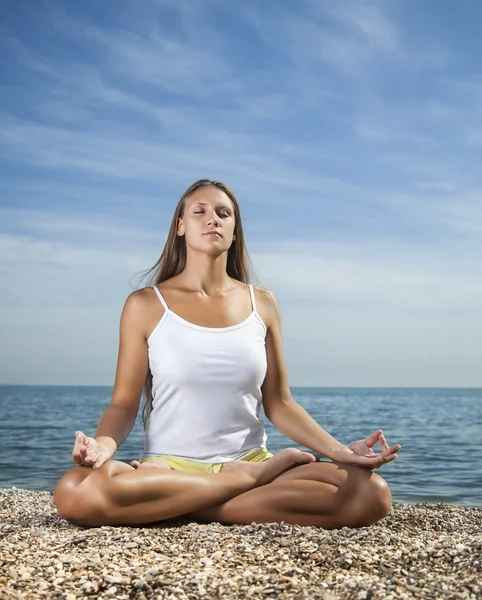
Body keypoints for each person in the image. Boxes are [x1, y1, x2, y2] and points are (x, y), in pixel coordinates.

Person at [54, 179, 401, 529]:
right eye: (199, 211)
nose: (212, 220)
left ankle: (180, 506)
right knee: (73, 490)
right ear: (180, 226)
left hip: (247, 458)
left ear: (234, 232)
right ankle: (242, 484)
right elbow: (123, 405)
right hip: (169, 470)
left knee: (370, 494)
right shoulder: (144, 305)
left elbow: (280, 404)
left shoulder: (262, 303)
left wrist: (339, 451)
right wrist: (102, 446)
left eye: (223, 214)